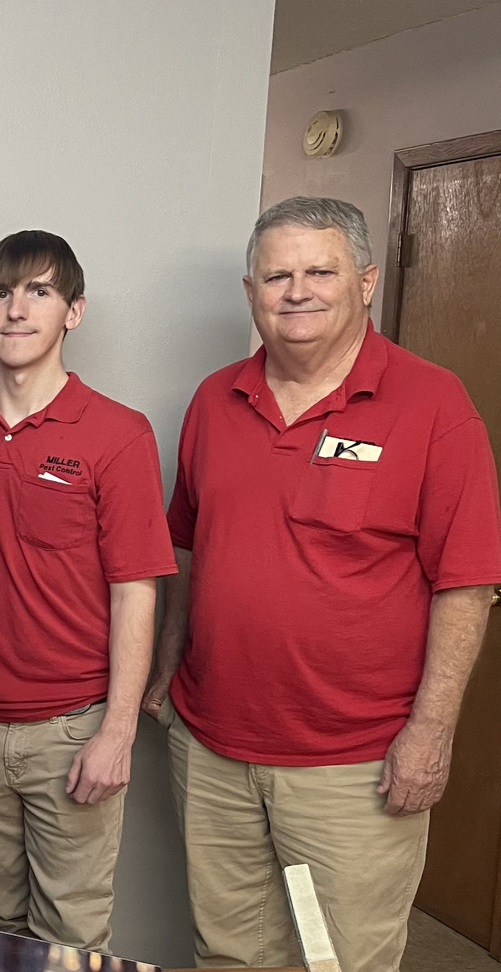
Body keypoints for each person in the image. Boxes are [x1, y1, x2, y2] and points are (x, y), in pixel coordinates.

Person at [146, 196, 501, 971]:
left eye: (319, 271)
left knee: (340, 960)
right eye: (277, 274)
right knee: (230, 953)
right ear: (251, 292)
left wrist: (431, 736)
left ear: (366, 282)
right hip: (212, 749)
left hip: (354, 762)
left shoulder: (434, 405)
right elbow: (188, 546)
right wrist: (169, 661)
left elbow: (467, 586)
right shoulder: (215, 399)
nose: (296, 290)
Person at [0, 231, 175, 950]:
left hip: (71, 729)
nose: (17, 309)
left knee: (70, 935)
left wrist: (117, 731)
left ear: (73, 311)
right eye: (1, 293)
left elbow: (136, 591)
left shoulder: (117, 433)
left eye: (38, 292)